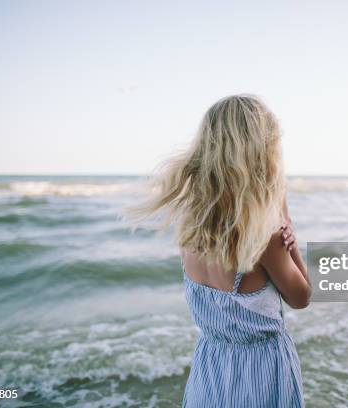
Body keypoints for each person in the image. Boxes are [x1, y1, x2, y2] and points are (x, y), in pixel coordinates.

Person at [128, 94, 311, 407]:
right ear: (261, 153)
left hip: (210, 368)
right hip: (261, 375)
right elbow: (302, 297)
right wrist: (287, 223)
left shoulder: (190, 227)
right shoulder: (263, 239)